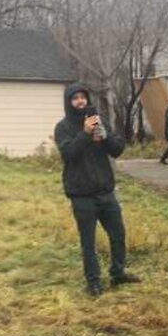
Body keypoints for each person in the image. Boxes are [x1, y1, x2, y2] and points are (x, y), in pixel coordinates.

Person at [54, 84, 137, 297]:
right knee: (88, 242)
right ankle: (93, 282)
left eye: (83, 97)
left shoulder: (99, 120)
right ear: (68, 102)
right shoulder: (63, 127)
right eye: (75, 98)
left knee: (118, 234)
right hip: (81, 194)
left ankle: (118, 273)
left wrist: (105, 135)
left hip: (105, 191)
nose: (80, 101)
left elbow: (117, 149)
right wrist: (85, 133)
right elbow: (68, 154)